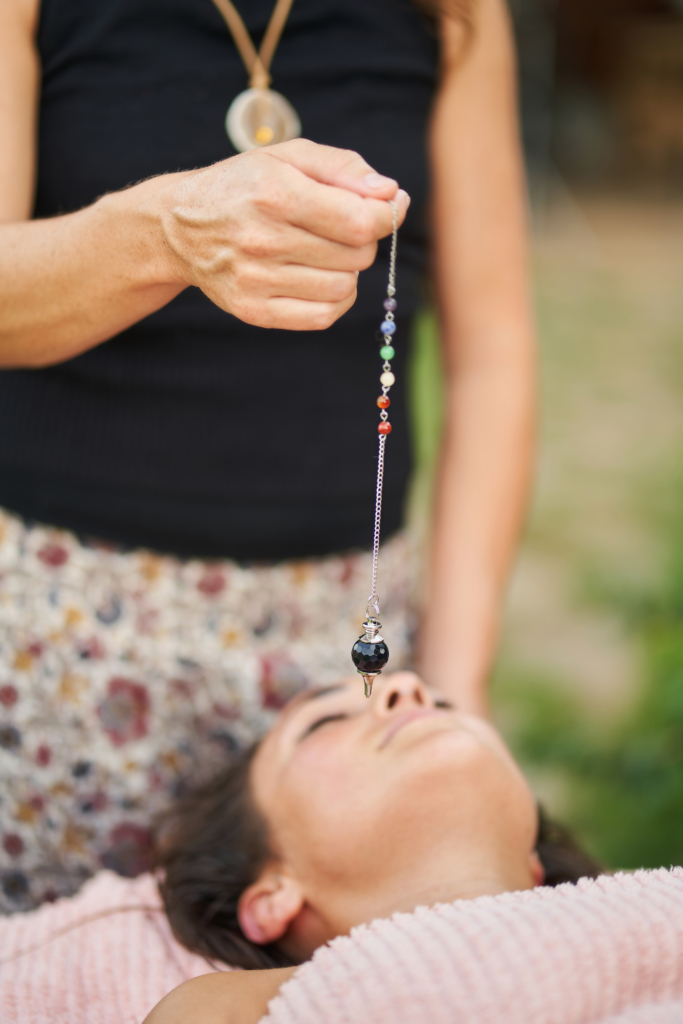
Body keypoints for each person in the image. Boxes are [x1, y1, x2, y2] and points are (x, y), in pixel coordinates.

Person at [0, 0, 535, 911]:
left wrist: (455, 683)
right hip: (61, 638)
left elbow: (493, 355)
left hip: (340, 648)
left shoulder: (454, 15)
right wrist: (163, 233)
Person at [0, 672, 601, 1024]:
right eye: (324, 722)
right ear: (272, 897)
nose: (408, 686)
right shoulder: (222, 1010)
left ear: (534, 869)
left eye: (444, 704)